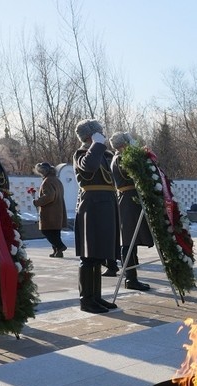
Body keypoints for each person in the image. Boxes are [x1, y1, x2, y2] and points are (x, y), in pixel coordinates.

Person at [72, 119, 119, 314]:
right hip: (91, 206)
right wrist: (97, 145)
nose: (103, 135)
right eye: (98, 133)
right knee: (89, 255)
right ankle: (86, 299)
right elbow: (89, 167)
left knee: (99, 255)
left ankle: (97, 297)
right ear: (90, 136)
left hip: (106, 205)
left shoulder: (103, 154)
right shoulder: (82, 153)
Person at [109, 131, 153, 291]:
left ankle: (132, 277)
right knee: (128, 240)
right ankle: (130, 278)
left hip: (130, 199)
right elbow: (136, 172)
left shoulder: (120, 157)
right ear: (123, 145)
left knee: (131, 240)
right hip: (128, 200)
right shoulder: (121, 158)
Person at [32, 162, 67, 258]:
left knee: (46, 231)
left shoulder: (47, 181)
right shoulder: (56, 180)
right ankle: (58, 252)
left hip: (50, 212)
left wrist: (37, 202)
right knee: (55, 232)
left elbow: (49, 196)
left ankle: (60, 246)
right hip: (58, 210)